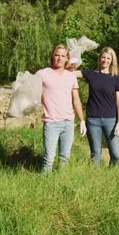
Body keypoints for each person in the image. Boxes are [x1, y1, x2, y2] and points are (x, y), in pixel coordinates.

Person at [38, 44, 86, 173]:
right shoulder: (43, 74)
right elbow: (31, 92)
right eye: (57, 55)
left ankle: (60, 184)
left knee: (64, 157)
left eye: (63, 56)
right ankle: (45, 187)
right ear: (52, 57)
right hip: (51, 122)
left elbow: (76, 100)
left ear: (67, 59)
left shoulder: (71, 76)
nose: (60, 58)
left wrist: (82, 120)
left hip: (68, 123)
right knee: (49, 158)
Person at [74, 47, 119, 166]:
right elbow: (70, 73)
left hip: (111, 120)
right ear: (99, 58)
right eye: (103, 57)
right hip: (93, 119)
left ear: (112, 60)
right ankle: (95, 180)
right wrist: (73, 58)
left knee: (116, 154)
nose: (105, 60)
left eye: (108, 58)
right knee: (95, 154)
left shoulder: (116, 79)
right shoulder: (91, 74)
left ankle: (112, 176)